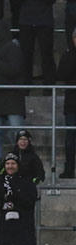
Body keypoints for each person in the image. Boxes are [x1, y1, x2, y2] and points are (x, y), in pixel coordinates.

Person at [0, 19, 26, 176]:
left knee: (19, 136)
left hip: (12, 99)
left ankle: (21, 166)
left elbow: (14, 70)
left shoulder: (13, 48)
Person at [58, 28, 76, 179]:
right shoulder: (68, 55)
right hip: (72, 103)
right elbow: (61, 74)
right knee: (70, 139)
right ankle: (69, 169)